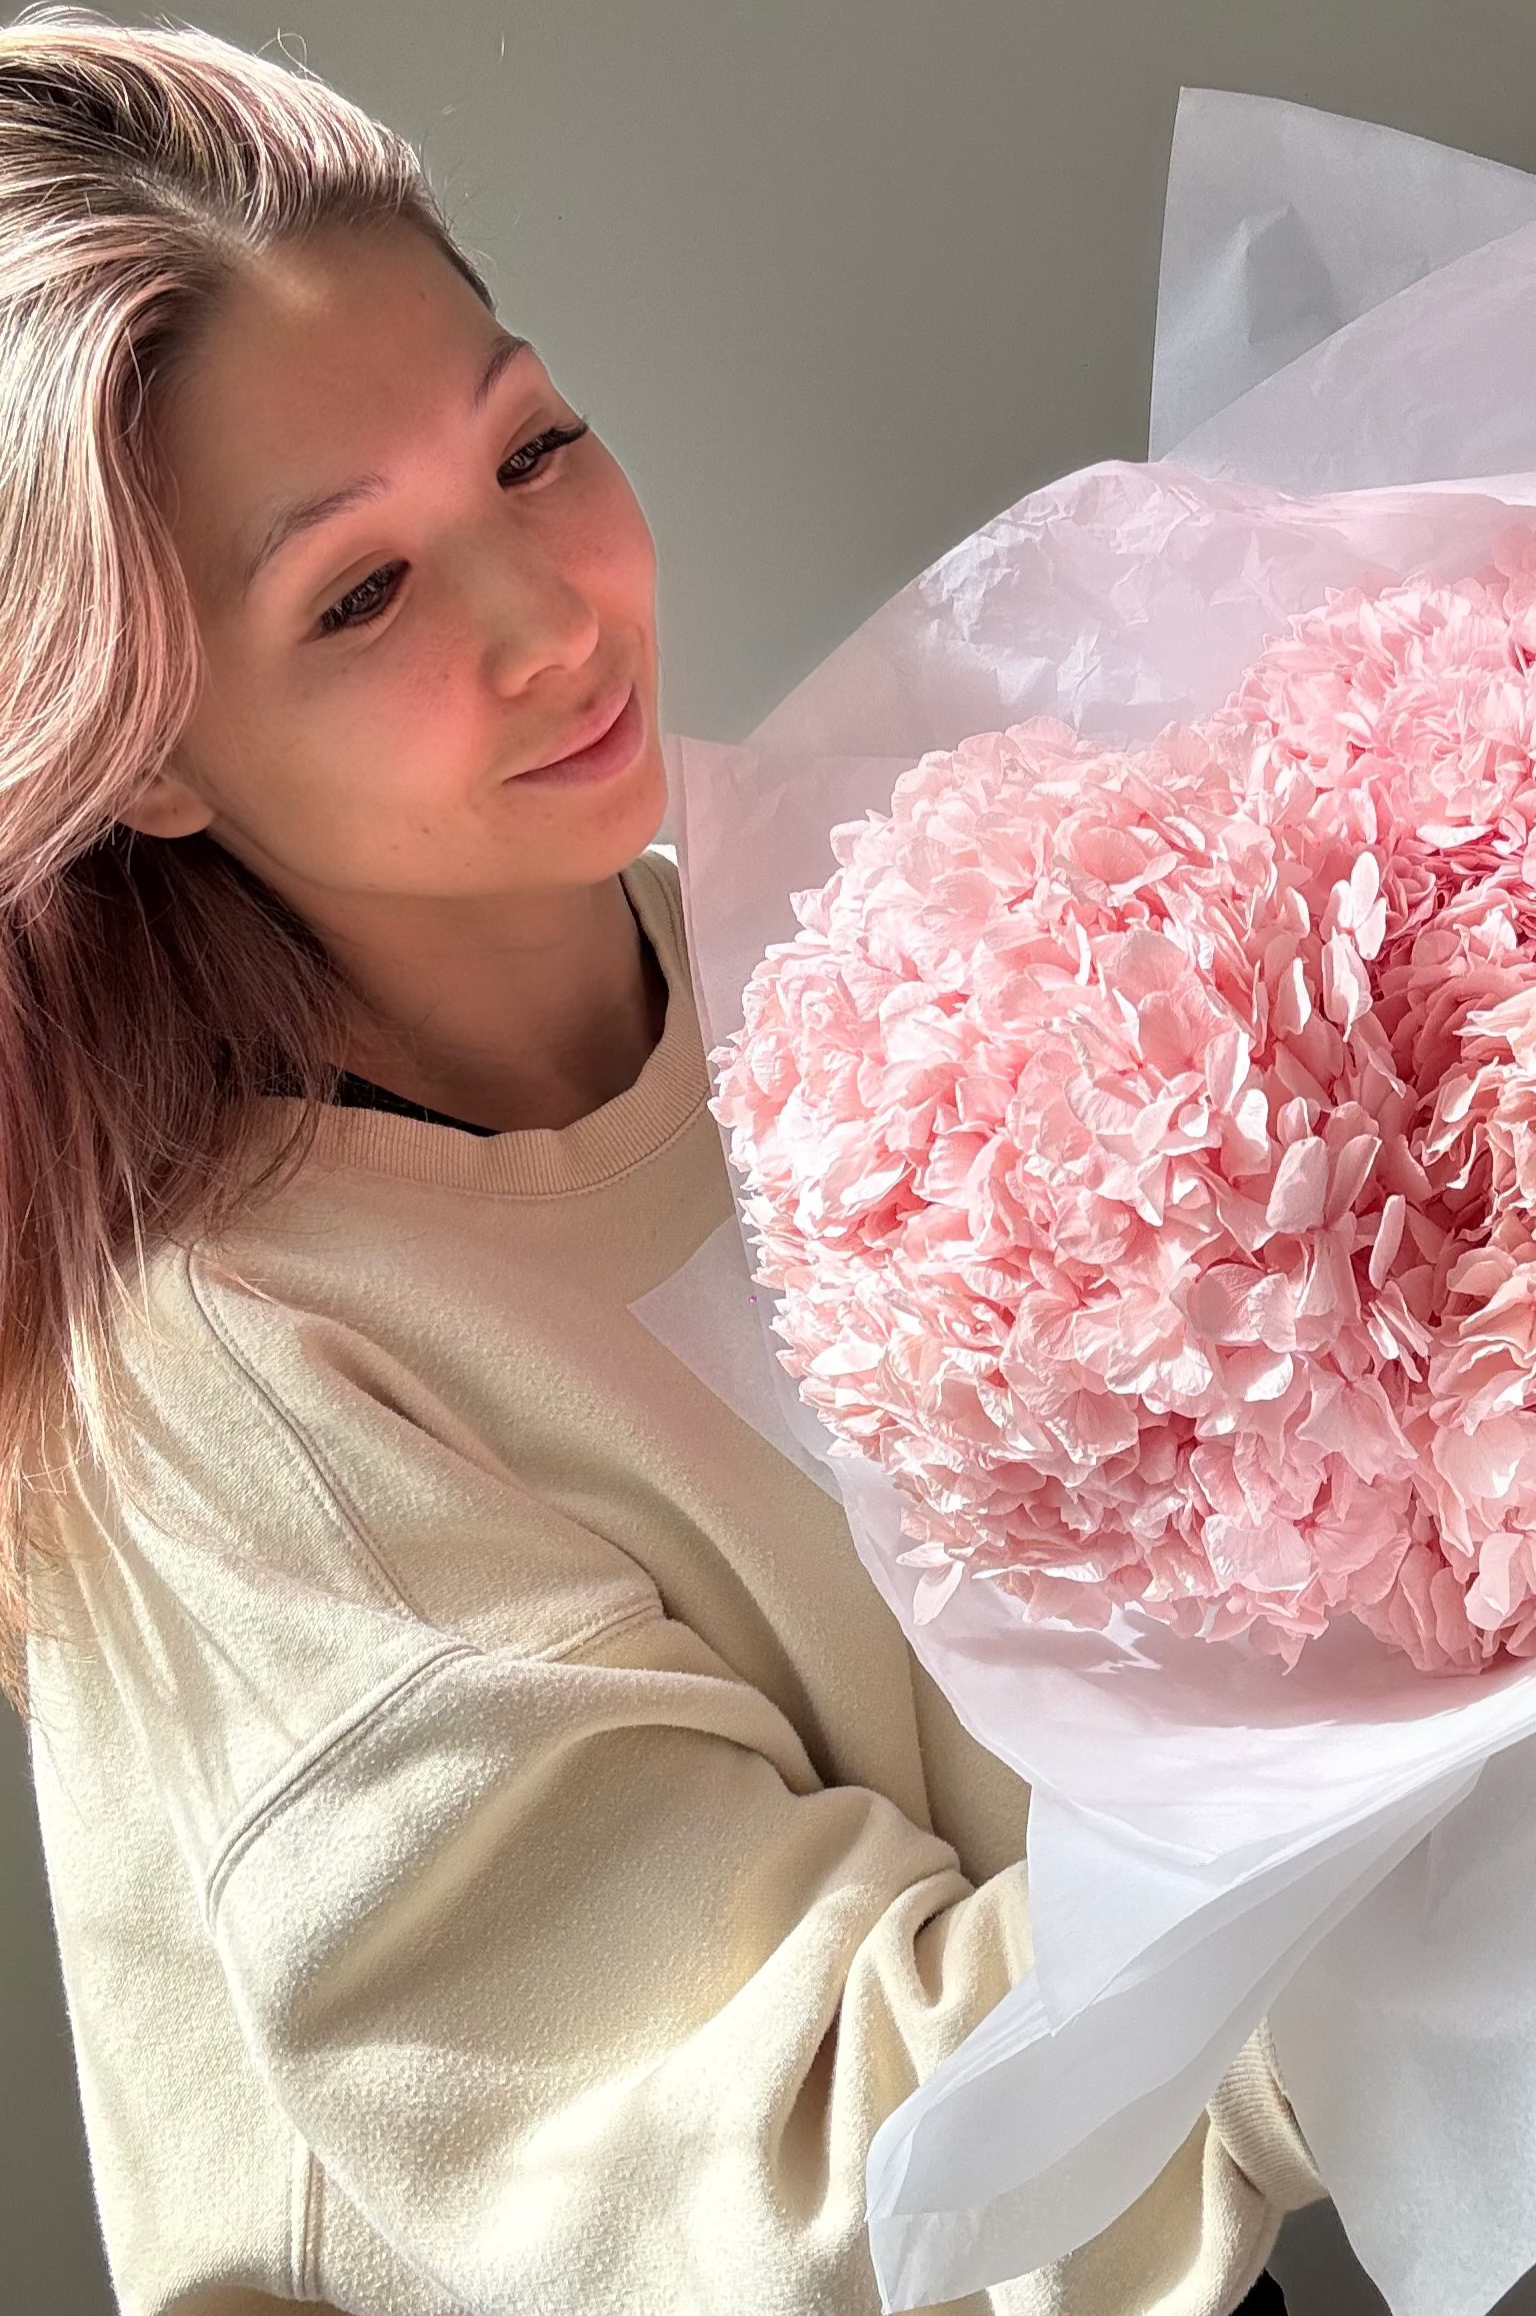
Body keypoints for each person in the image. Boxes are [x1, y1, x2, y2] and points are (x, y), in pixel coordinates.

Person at [0, 14, 1318, 2313]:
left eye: (531, 447)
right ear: (149, 758)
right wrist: (1508, 1832)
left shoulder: (835, 944)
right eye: (361, 594)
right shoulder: (234, 1390)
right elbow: (823, 2191)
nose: (550, 620)